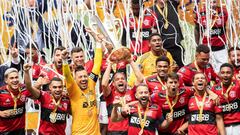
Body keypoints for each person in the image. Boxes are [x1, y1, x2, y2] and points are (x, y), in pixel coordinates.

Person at [62, 34, 103, 134]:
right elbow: (67, 76)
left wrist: (98, 43)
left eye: (85, 76)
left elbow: (97, 64)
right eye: (80, 77)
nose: (83, 79)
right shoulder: (73, 89)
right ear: (75, 79)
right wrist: (64, 60)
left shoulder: (91, 82)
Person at [23, 63, 71, 135]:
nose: (58, 89)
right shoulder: (44, 96)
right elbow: (29, 87)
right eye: (55, 87)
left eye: (60, 87)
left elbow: (75, 113)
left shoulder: (66, 100)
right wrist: (26, 72)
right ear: (50, 88)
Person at [101, 56, 144, 135]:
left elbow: (140, 79)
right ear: (113, 84)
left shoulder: (131, 92)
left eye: (122, 79)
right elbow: (104, 84)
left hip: (129, 130)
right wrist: (110, 64)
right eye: (117, 79)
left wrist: (131, 61)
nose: (120, 80)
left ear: (126, 82)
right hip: (114, 132)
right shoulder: (110, 95)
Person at [194, 0, 228, 73]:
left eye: (214, 2)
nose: (212, 4)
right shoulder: (200, 13)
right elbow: (197, 28)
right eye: (210, 2)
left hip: (220, 48)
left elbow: (227, 28)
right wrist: (197, 45)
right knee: (207, 71)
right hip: (206, 50)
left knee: (222, 70)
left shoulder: (223, 12)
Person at [150, 0, 184, 67]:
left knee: (179, 69)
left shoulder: (172, 4)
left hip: (175, 45)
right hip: (162, 47)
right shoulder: (151, 10)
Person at [0, 68, 31, 134]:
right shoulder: (1, 92)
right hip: (5, 131)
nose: (15, 80)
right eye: (11, 78)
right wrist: (0, 113)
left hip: (20, 130)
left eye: (16, 77)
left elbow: (33, 89)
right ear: (6, 80)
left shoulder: (24, 89)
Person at [212, 63, 240, 135]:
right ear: (219, 74)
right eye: (223, 73)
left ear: (233, 74)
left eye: (228, 72)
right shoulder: (214, 89)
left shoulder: (238, 85)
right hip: (223, 126)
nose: (225, 75)